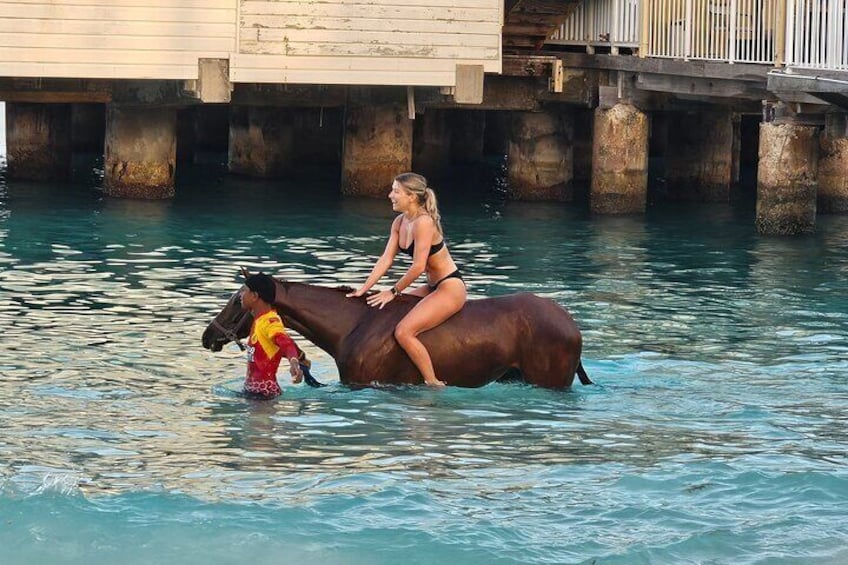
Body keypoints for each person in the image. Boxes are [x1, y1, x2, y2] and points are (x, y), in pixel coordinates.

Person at [346, 172, 467, 387]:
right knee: (391, 312)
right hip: (431, 287)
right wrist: (363, 289)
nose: (390, 195)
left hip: (450, 287)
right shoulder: (399, 222)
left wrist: (392, 291)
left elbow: (419, 266)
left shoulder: (424, 222)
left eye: (395, 191)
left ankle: (432, 382)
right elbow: (385, 259)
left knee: (404, 331)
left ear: (411, 196)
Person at [240, 273, 303, 398]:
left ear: (254, 296)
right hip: (254, 394)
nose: (240, 295)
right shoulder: (259, 320)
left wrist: (294, 362)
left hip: (265, 398)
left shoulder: (270, 321)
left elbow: (285, 342)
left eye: (244, 291)